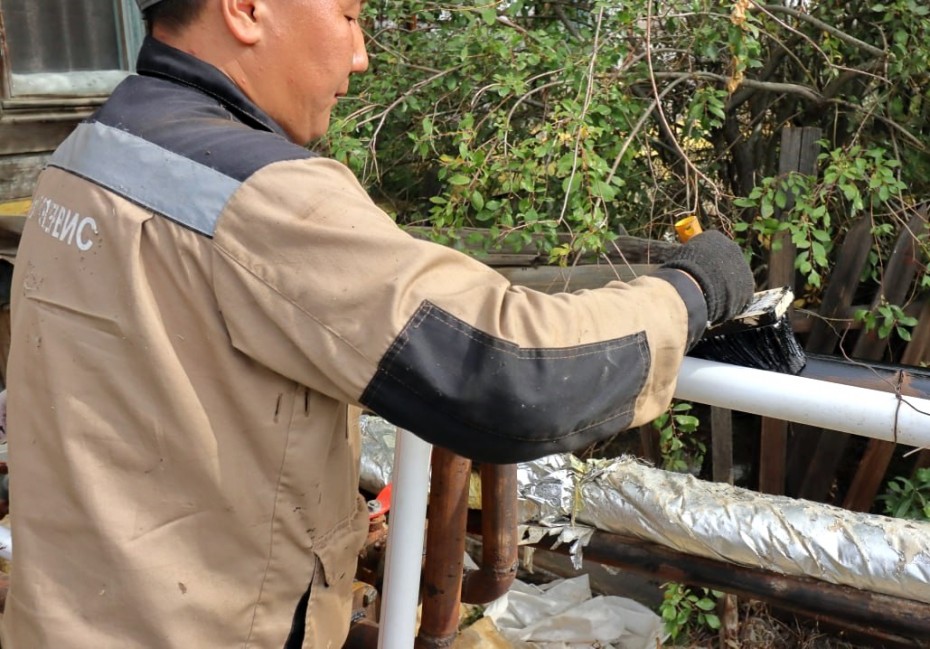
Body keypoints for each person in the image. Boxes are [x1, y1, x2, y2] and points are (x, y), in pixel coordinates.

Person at [3, 0, 754, 647]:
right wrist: (693, 289)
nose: (361, 55)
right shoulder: (260, 195)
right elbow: (516, 371)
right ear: (245, 8)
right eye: (350, 15)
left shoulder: (86, 152)